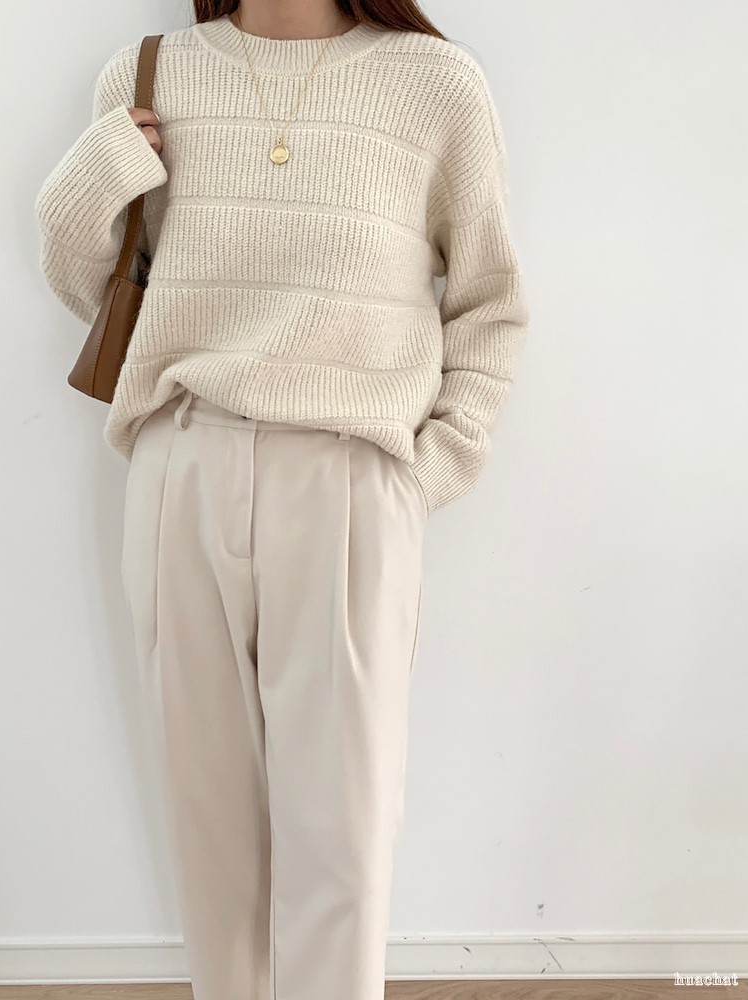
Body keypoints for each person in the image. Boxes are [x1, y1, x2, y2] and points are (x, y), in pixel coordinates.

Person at [33, 1, 530, 997]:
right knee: (207, 828)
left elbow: (490, 304)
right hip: (180, 467)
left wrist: (425, 471)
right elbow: (95, 287)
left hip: (351, 478)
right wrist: (91, 180)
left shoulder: (434, 85)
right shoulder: (149, 74)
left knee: (342, 835)